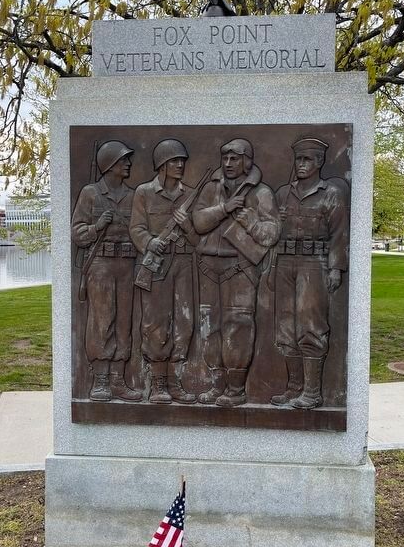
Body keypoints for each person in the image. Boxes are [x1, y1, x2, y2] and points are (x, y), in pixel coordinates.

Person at [192, 139, 281, 406]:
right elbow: (198, 222)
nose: (229, 164)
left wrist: (249, 220)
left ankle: (235, 389)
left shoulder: (261, 192)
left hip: (240, 269)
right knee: (209, 327)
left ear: (247, 161)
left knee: (238, 326)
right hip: (208, 268)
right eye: (225, 158)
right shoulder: (210, 189)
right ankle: (216, 383)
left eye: (235, 159)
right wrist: (224, 208)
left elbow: (272, 233)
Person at [271, 137, 349, 409]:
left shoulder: (330, 194)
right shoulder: (282, 193)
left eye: (307, 160)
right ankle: (293, 388)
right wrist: (276, 223)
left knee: (310, 326)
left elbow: (340, 235)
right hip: (284, 263)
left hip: (314, 264)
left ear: (319, 162)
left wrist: (336, 268)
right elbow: (269, 233)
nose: (301, 164)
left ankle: (312, 392)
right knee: (285, 326)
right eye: (298, 159)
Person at [71, 140, 142, 403]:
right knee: (102, 321)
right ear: (110, 165)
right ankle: (99, 380)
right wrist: (97, 226)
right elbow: (77, 234)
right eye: (124, 160)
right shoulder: (90, 193)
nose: (129, 164)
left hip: (126, 265)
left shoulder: (133, 195)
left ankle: (118, 380)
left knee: (124, 322)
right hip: (99, 264)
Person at [129, 139, 200, 404]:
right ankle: (158, 383)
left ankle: (174, 380)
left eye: (182, 160)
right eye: (174, 161)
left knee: (184, 321)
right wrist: (151, 242)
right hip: (157, 264)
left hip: (183, 263)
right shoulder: (144, 193)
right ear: (161, 165)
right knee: (156, 323)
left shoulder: (191, 194)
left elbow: (199, 237)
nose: (180, 165)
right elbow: (136, 228)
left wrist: (188, 227)